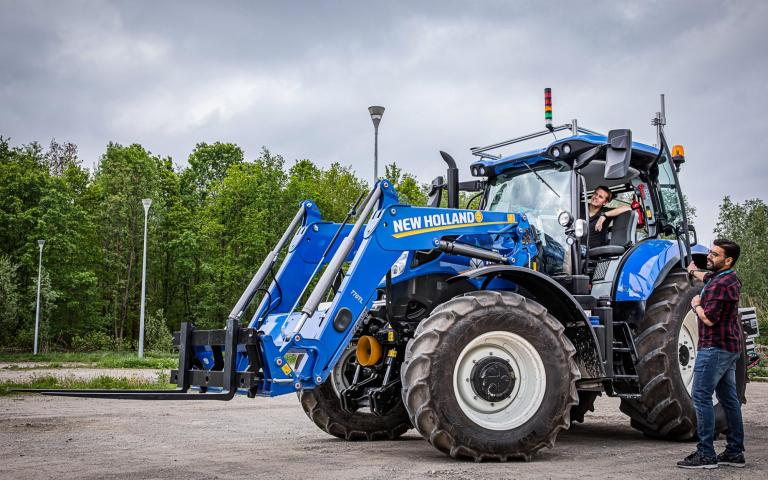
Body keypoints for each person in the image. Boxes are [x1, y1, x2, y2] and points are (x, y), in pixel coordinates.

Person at [677, 239, 745, 469]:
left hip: (715, 347)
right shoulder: (727, 278)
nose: (709, 256)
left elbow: (709, 319)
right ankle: (735, 452)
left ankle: (705, 454)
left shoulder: (719, 285)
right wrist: (695, 272)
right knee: (729, 399)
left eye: (714, 255)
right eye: (710, 252)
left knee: (701, 396)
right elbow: (708, 278)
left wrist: (696, 304)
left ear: (728, 260)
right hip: (730, 347)